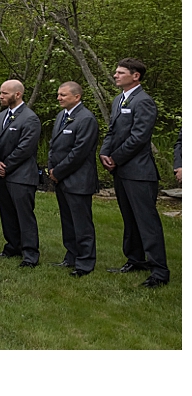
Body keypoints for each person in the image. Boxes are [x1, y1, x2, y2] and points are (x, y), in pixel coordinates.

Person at [99, 58, 169, 288]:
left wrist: (116, 158)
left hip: (139, 172)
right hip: (121, 170)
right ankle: (135, 259)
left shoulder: (144, 102)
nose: (115, 75)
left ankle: (159, 270)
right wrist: (104, 153)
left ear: (135, 76)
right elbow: (112, 131)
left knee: (147, 221)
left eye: (120, 72)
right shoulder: (119, 100)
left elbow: (139, 138)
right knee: (129, 219)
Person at [47, 81, 99, 277]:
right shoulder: (62, 116)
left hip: (78, 179)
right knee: (68, 221)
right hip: (61, 178)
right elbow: (54, 146)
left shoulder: (86, 119)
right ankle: (71, 256)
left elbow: (79, 152)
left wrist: (58, 171)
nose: (59, 98)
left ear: (77, 97)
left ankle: (85, 263)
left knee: (81, 223)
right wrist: (52, 169)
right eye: (59, 94)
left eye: (63, 95)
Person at [0, 80, 42, 267]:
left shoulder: (30, 118)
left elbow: (25, 148)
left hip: (21, 175)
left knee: (24, 215)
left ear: (17, 94)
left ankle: (30, 254)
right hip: (2, 174)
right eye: (0, 92)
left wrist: (7, 165)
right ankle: (12, 246)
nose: (0, 96)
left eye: (4, 93)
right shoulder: (1, 116)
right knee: (7, 213)